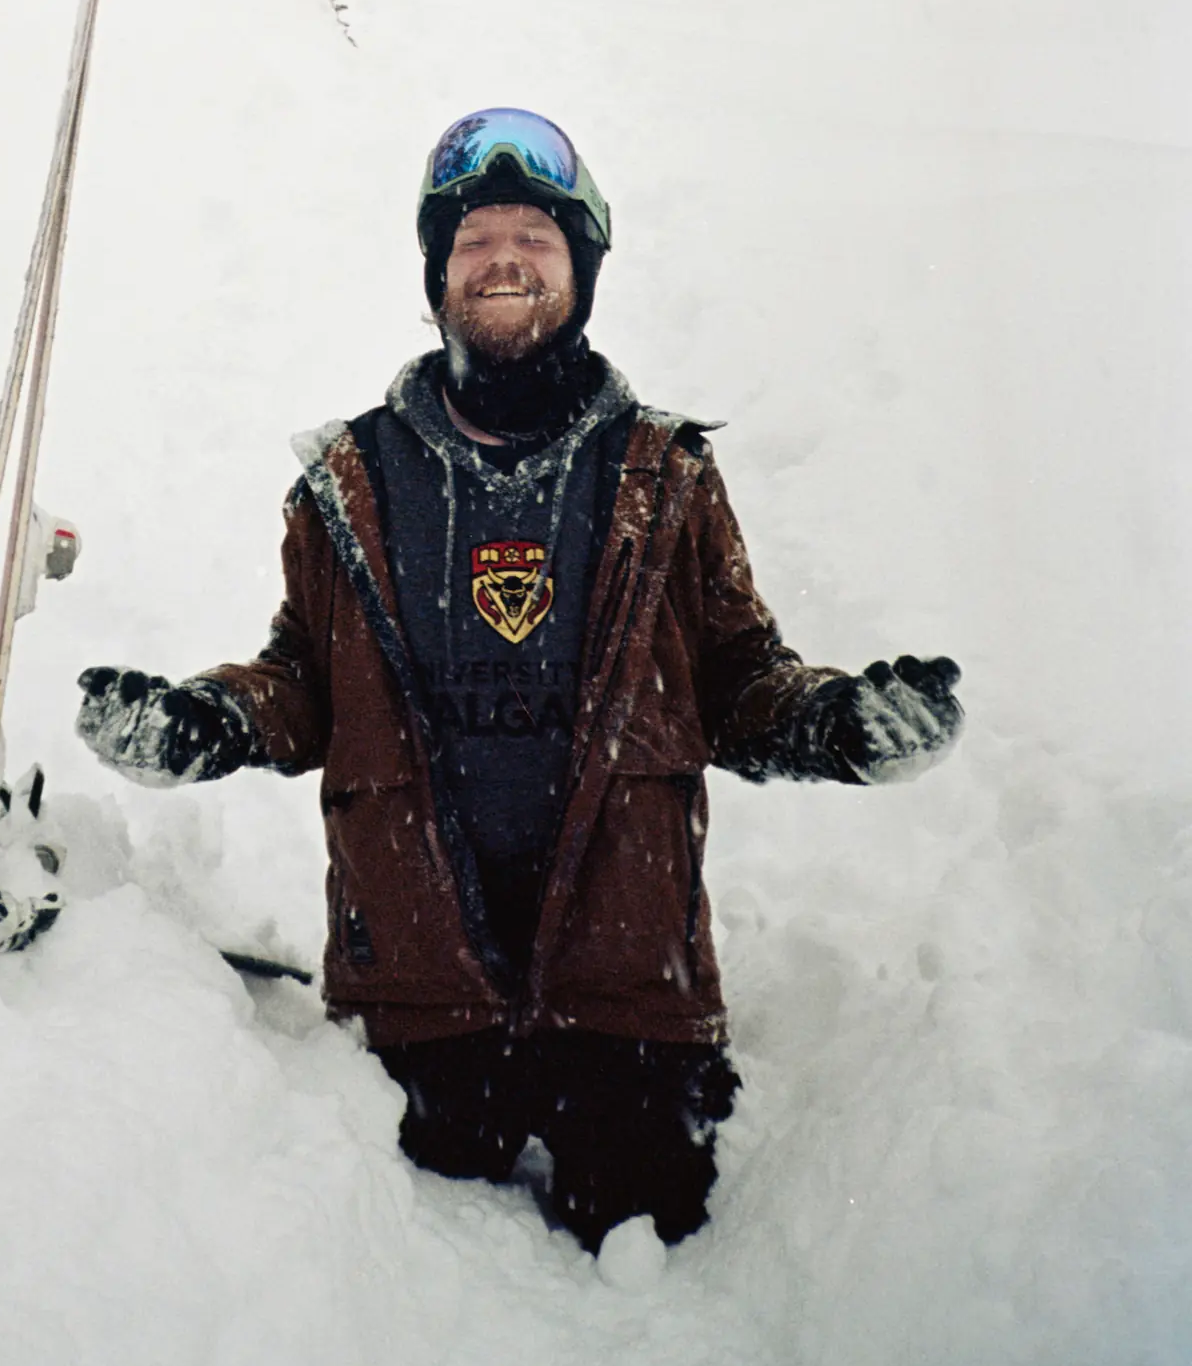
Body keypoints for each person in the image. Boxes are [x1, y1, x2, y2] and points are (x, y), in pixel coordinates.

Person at [75, 106, 963, 1255]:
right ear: (437, 277)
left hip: (626, 995)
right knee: (405, 1248)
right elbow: (306, 678)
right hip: (419, 998)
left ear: (581, 272)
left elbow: (739, 681)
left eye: (533, 240)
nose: (502, 260)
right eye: (474, 241)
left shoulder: (665, 474)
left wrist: (841, 726)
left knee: (648, 1227)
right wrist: (207, 720)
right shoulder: (348, 483)